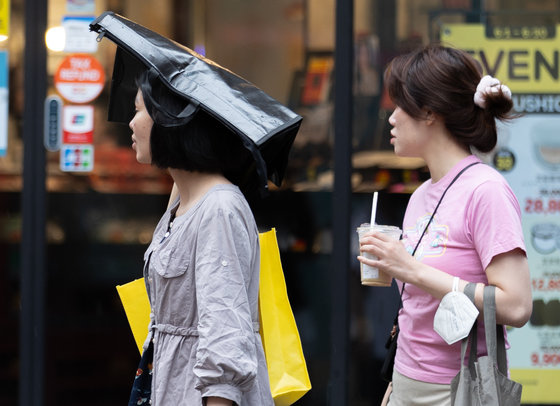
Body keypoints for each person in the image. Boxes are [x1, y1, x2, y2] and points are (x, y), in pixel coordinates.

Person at [357, 44, 532, 405]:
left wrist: (412, 269)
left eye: (399, 105)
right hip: (406, 382)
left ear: (430, 112)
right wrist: (396, 379)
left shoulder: (486, 191)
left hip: (459, 390)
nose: (390, 118)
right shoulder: (421, 194)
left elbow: (517, 306)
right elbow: (417, 308)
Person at [128, 69, 274, 406]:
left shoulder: (219, 208)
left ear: (170, 122)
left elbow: (225, 333)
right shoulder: (182, 199)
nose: (132, 123)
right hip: (171, 385)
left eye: (139, 110)